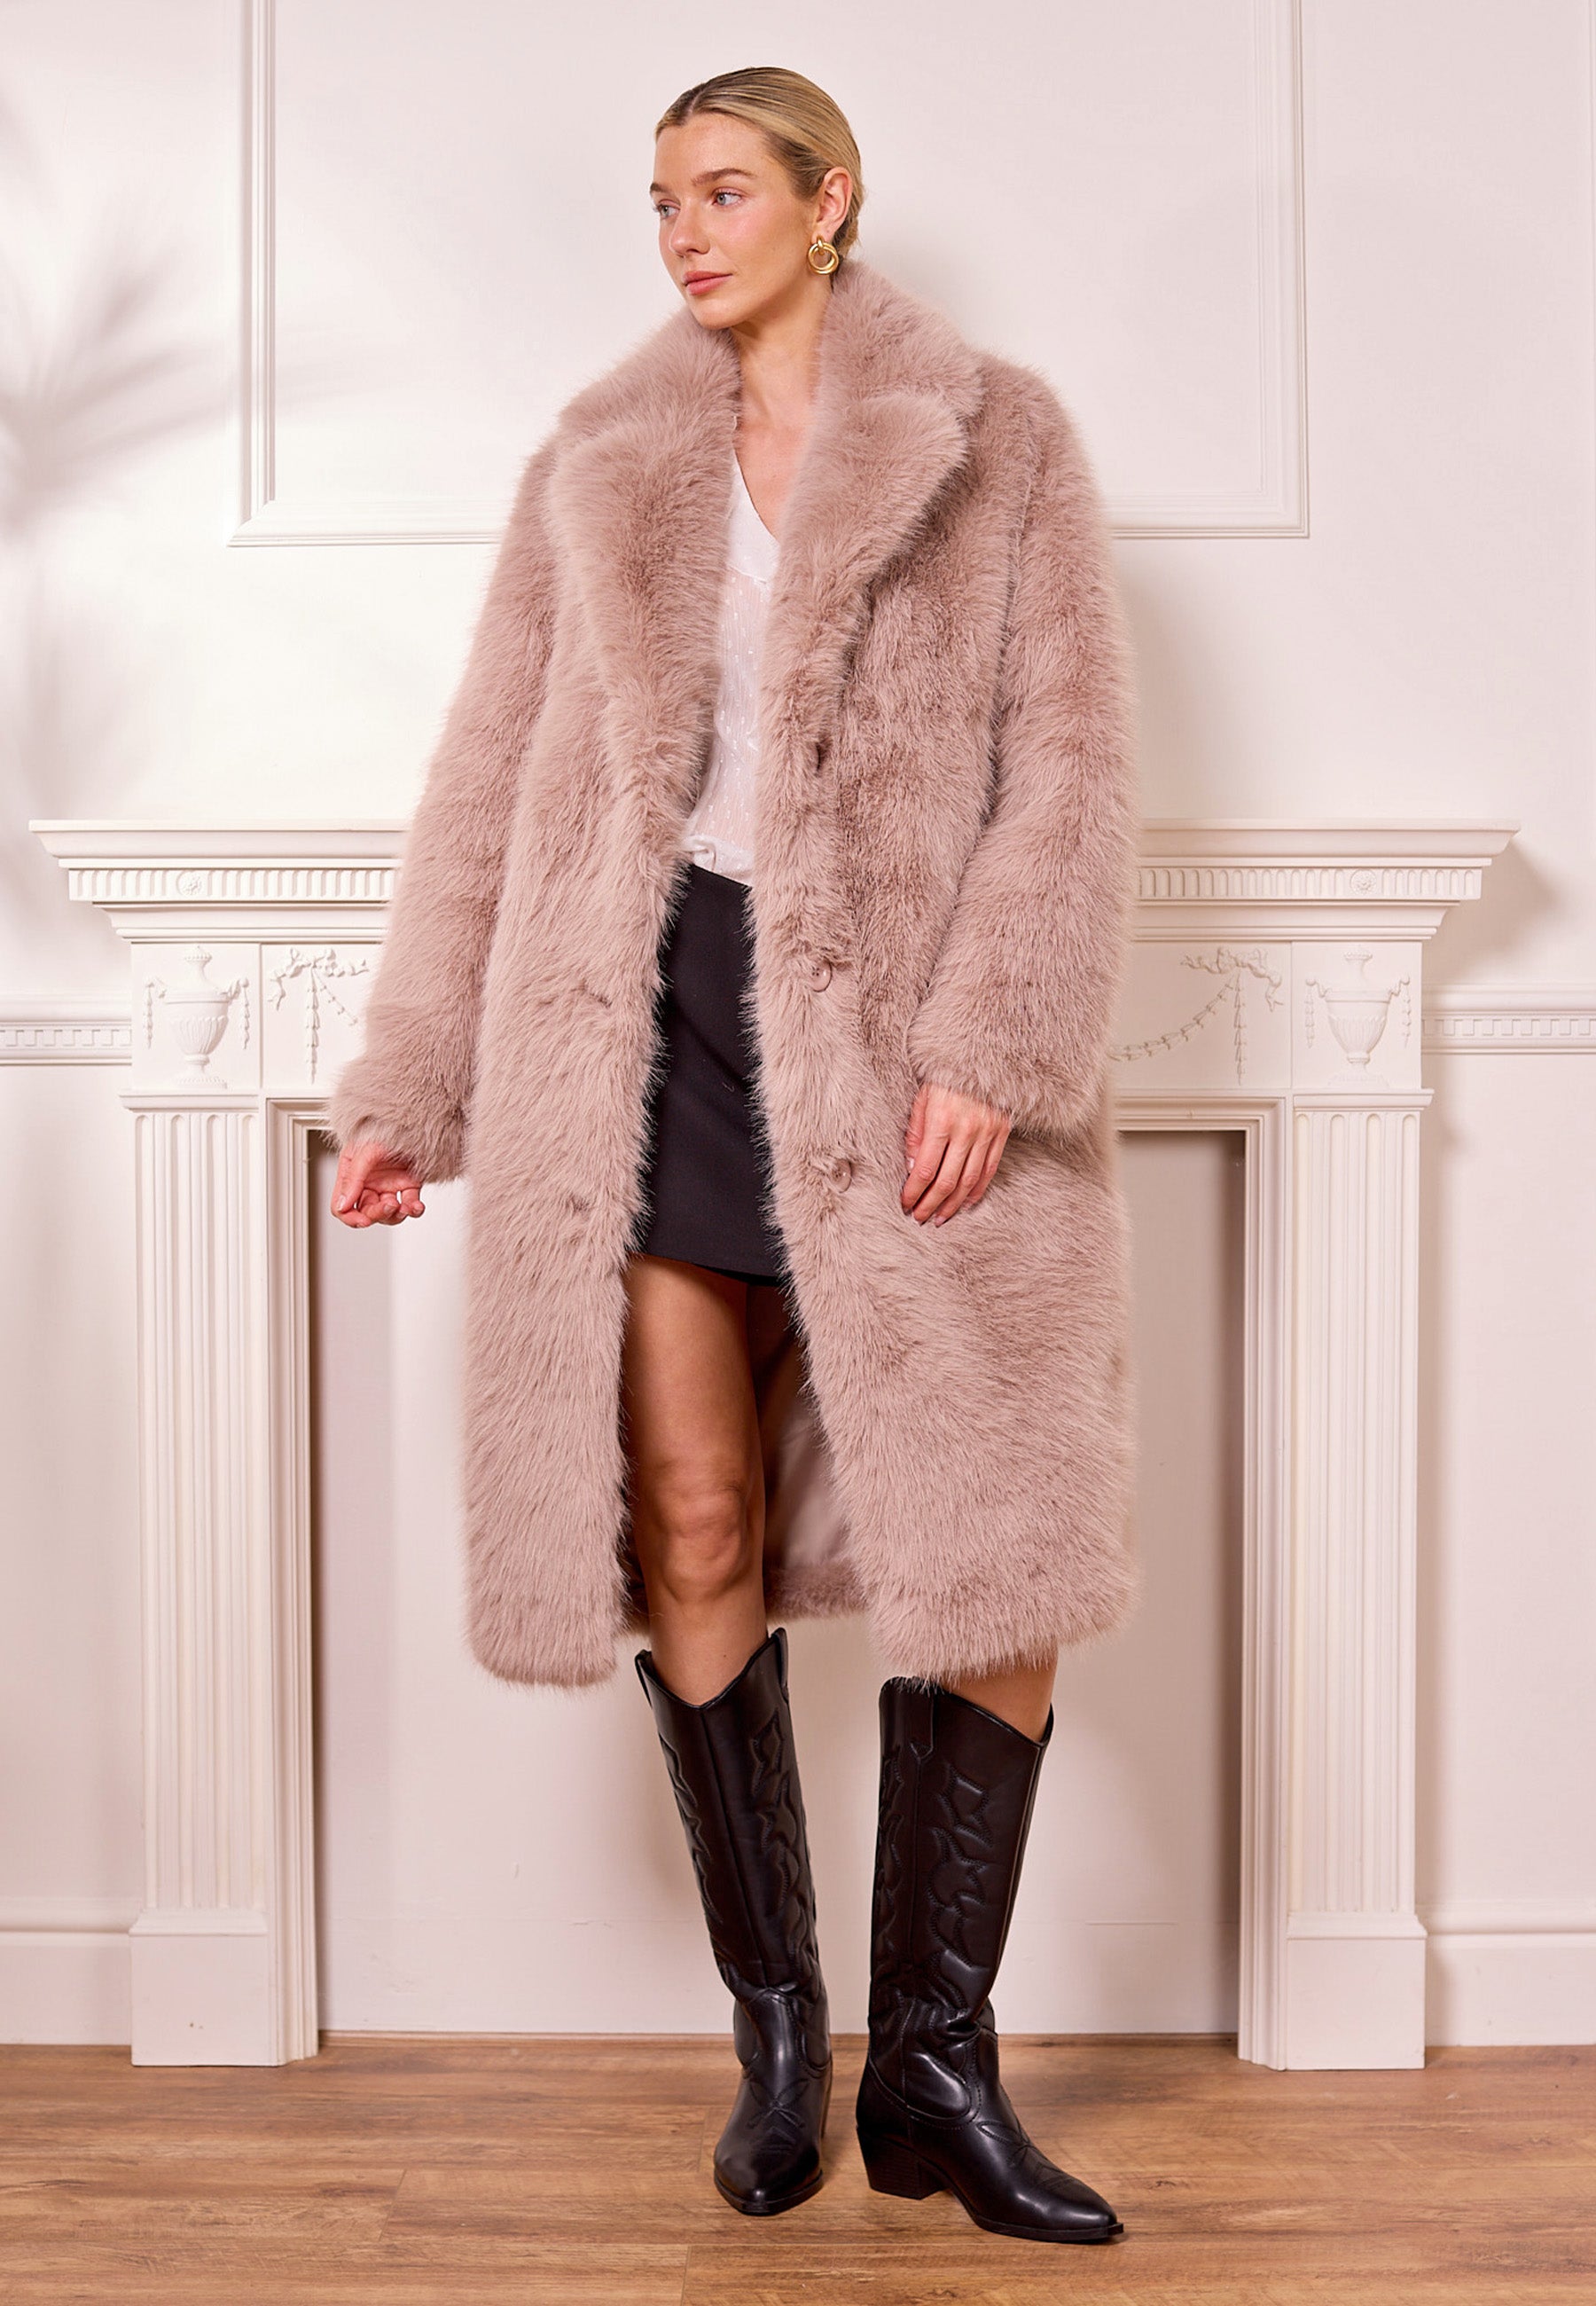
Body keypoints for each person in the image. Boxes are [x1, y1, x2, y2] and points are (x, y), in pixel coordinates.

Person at [328, 66, 1138, 2247]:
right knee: (692, 1515)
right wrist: (412, 1087)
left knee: (998, 1540)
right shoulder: (598, 459)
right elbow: (487, 773)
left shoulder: (1000, 439)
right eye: (661, 200)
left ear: (828, 200)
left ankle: (938, 2076)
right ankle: (784, 2042)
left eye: (723, 191)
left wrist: (995, 1038)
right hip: (649, 1020)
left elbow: (1069, 764)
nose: (685, 232)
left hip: (902, 1033)